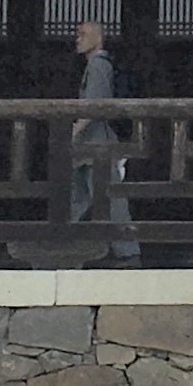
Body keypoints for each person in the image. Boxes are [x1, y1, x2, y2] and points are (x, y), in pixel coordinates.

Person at [67, 17, 138, 263]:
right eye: (77, 34)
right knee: (78, 196)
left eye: (84, 34)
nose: (78, 38)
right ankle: (62, 242)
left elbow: (94, 106)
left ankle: (128, 252)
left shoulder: (98, 65)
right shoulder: (98, 65)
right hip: (90, 145)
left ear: (98, 38)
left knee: (109, 197)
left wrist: (74, 130)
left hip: (97, 143)